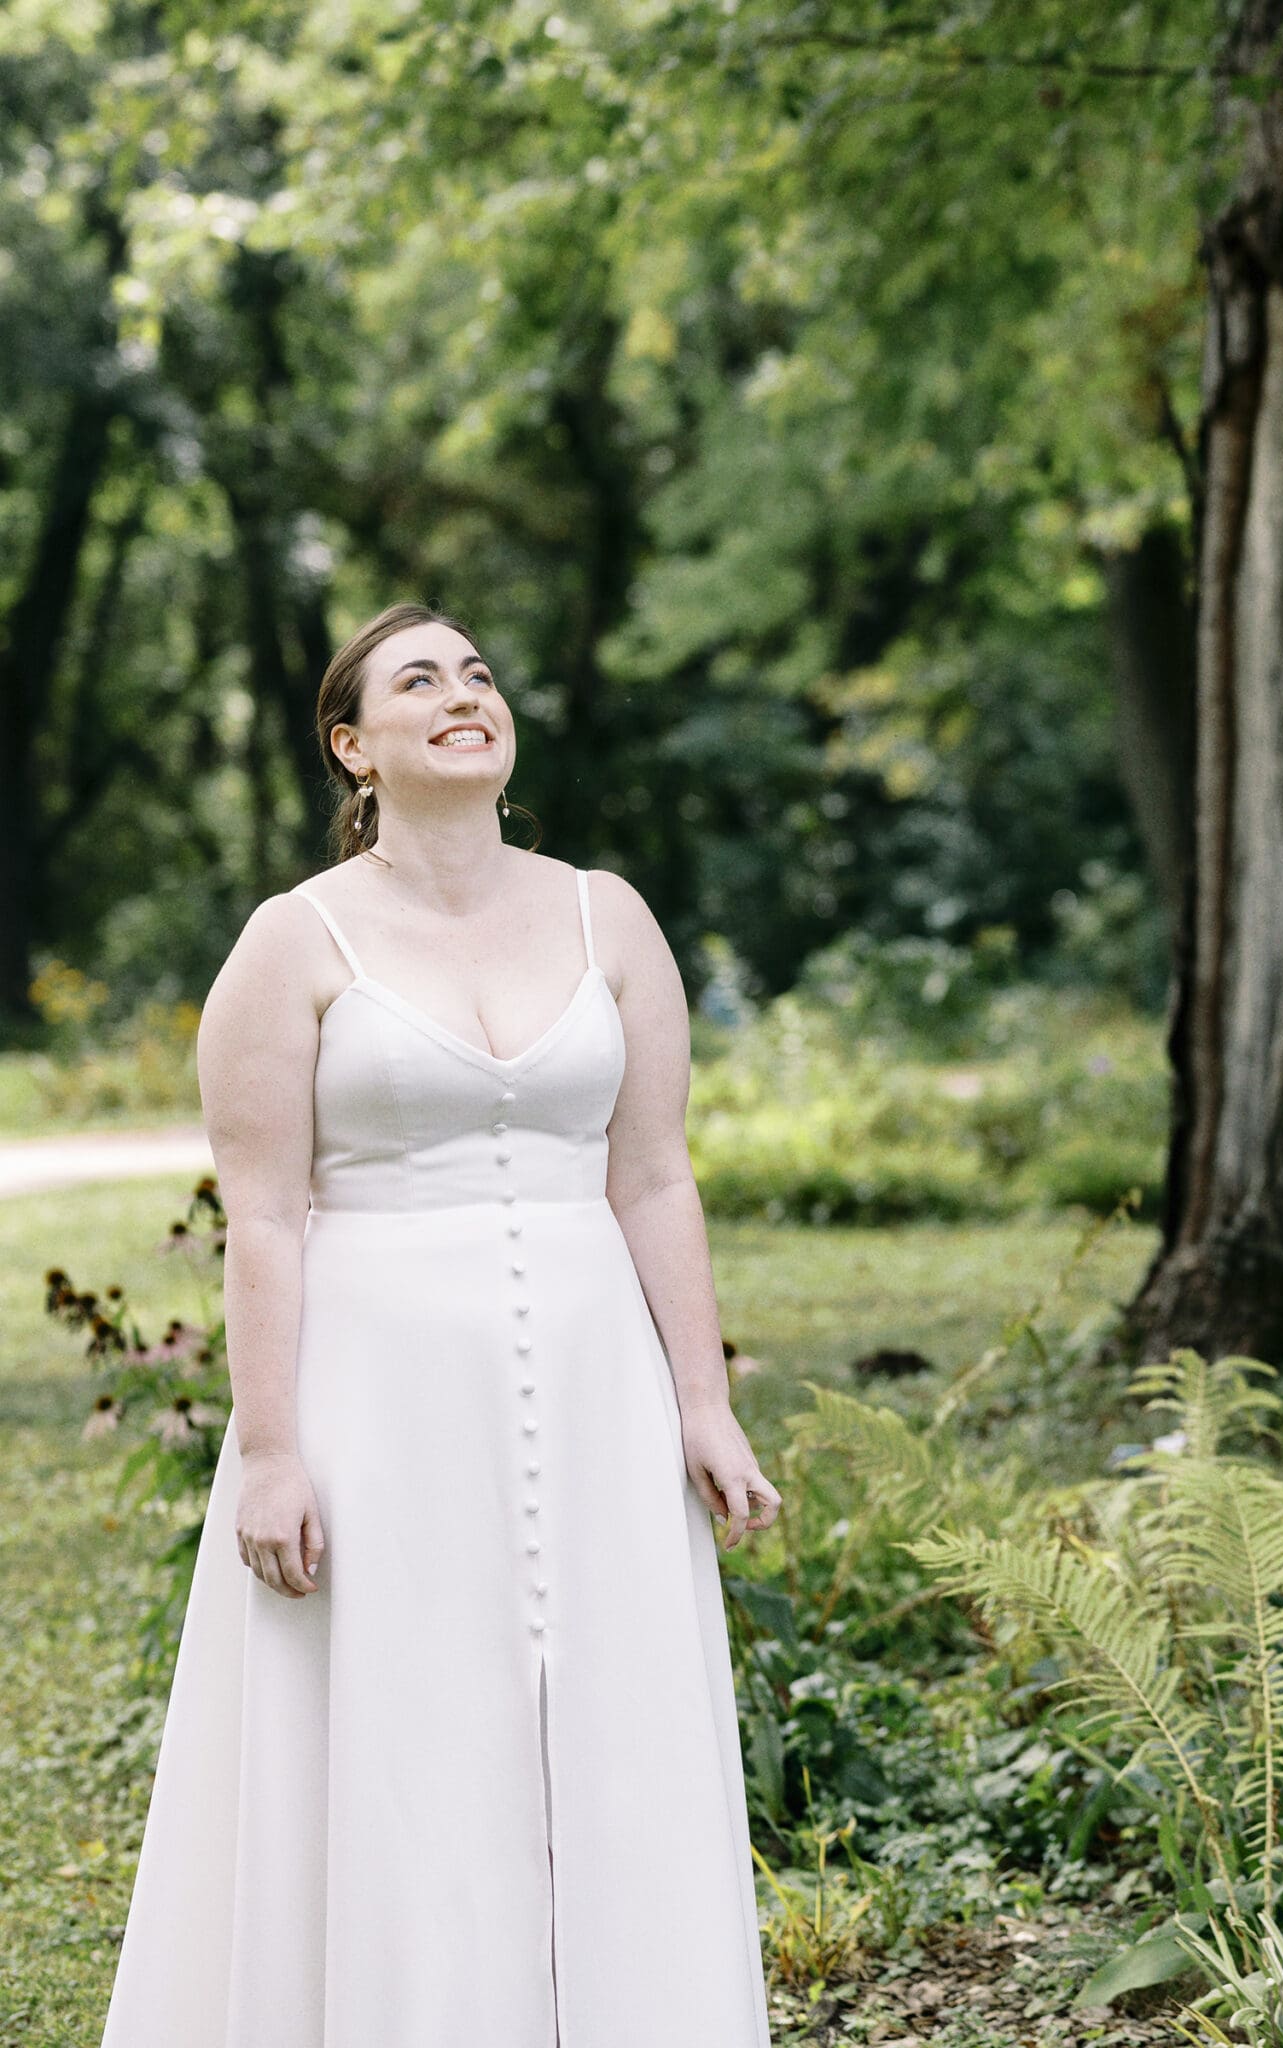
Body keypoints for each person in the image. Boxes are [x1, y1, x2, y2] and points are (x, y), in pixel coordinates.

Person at [102, 603, 782, 2047]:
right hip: (378, 1393)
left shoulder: (610, 913)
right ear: (354, 745)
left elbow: (653, 1173)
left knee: (611, 1734)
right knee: (410, 1736)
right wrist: (274, 1449)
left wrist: (701, 1403)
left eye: (479, 674)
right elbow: (267, 1216)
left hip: (598, 1385)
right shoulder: (292, 943)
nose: (464, 694)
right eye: (422, 680)